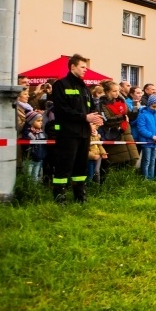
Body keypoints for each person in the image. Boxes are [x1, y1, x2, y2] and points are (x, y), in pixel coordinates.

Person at [50, 54, 103, 204]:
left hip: (84, 133)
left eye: (86, 67)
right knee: (64, 165)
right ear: (73, 67)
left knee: (81, 165)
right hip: (68, 133)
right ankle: (59, 196)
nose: (85, 70)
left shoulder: (84, 88)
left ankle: (80, 195)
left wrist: (94, 119)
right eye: (82, 67)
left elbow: (91, 107)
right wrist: (85, 117)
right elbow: (62, 110)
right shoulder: (61, 85)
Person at [135, 94, 156, 180]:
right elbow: (141, 128)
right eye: (153, 106)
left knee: (153, 161)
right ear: (149, 105)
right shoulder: (143, 114)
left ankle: (151, 178)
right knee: (146, 161)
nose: (155, 108)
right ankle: (145, 179)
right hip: (147, 142)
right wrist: (152, 136)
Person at [25, 112, 47, 181]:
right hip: (29, 159)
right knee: (27, 176)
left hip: (39, 159)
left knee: (36, 176)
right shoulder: (28, 133)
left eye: (41, 121)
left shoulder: (41, 132)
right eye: (38, 121)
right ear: (31, 122)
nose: (41, 123)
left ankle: (34, 189)